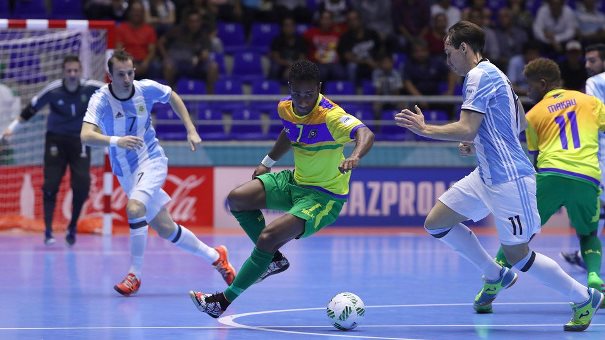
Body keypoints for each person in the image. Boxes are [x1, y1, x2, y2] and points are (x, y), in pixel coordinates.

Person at [395, 21, 603, 331]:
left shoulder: (479, 75)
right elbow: (517, 121)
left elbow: (467, 125)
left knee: (518, 253)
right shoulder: (496, 73)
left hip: (510, 178)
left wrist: (426, 129)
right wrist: (479, 139)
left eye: (449, 52)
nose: (447, 59)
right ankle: (495, 275)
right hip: (486, 174)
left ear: (464, 48)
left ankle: (583, 297)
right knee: (437, 222)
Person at [188, 59, 375, 318]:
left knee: (267, 237)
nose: (303, 100)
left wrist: (355, 155)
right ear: (290, 87)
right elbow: (289, 132)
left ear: (319, 88)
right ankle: (273, 259)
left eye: (309, 94)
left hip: (324, 197)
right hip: (294, 182)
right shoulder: (285, 108)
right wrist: (267, 163)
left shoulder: (331, 116)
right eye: (297, 93)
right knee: (238, 199)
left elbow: (365, 133)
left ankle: (221, 301)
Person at [80, 49, 236, 296]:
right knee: (165, 228)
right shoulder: (100, 99)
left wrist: (190, 128)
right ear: (109, 75)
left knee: (134, 208)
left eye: (130, 72)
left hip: (150, 160)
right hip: (125, 171)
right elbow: (86, 136)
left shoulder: (145, 89)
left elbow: (172, 96)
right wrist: (116, 141)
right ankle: (217, 257)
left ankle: (135, 274)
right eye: (120, 74)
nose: (127, 79)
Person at [493, 57, 605, 294]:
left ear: (542, 84)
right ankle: (594, 278)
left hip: (550, 174)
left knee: (521, 232)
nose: (528, 91)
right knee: (588, 234)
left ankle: (490, 284)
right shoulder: (590, 102)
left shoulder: (532, 116)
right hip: (587, 176)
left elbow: (534, 158)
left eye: (530, 86)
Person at [2, 55, 104, 246]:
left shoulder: (91, 87)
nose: (72, 74)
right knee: (50, 185)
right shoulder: (53, 90)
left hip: (80, 139)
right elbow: (31, 109)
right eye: (69, 71)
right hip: (55, 140)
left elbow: (114, 90)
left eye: (76, 71)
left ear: (80, 71)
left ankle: (72, 225)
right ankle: (48, 230)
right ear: (63, 72)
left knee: (82, 185)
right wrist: (12, 128)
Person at [561, 43, 605, 271]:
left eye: (593, 60)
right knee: (599, 207)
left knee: (596, 206)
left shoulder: (594, 83)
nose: (587, 65)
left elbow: (594, 117)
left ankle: (585, 254)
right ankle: (583, 254)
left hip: (600, 156)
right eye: (586, 60)